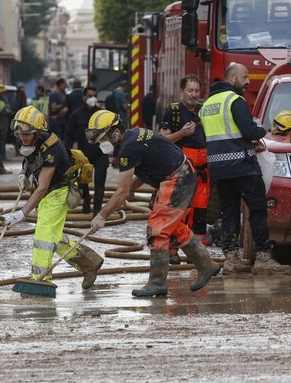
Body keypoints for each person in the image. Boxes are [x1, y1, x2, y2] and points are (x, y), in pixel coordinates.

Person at [86, 110, 220, 297]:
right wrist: (133, 187)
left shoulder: (128, 149)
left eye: (103, 139)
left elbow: (121, 192)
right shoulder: (133, 136)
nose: (102, 145)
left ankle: (157, 282)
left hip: (178, 178)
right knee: (172, 228)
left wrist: (101, 216)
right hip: (180, 175)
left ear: (115, 133)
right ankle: (207, 265)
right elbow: (149, 162)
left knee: (157, 229)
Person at [199, 62, 291, 274]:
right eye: (245, 77)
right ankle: (264, 258)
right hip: (242, 165)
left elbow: (210, 137)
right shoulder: (235, 100)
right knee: (257, 209)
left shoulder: (208, 105)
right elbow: (248, 131)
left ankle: (231, 258)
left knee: (229, 211)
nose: (248, 81)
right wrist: (262, 130)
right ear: (232, 79)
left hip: (219, 168)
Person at [2, 106, 104, 289]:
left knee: (43, 235)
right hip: (48, 192)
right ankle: (90, 263)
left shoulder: (53, 149)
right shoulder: (26, 138)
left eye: (27, 135)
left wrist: (22, 213)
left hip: (59, 191)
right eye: (19, 134)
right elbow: (28, 159)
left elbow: (42, 188)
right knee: (54, 237)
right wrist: (23, 174)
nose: (22, 138)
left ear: (38, 132)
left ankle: (40, 280)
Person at [160, 75, 210, 265]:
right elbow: (163, 140)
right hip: (181, 169)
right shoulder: (173, 111)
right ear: (182, 91)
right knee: (179, 209)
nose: (193, 94)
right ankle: (172, 250)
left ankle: (198, 252)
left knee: (200, 212)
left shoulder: (203, 110)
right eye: (190, 90)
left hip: (203, 171)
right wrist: (182, 133)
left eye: (197, 91)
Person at [65, 86, 109, 216]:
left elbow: (115, 133)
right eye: (89, 95)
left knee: (100, 185)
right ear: (84, 97)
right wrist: (68, 154)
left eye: (94, 95)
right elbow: (69, 134)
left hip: (101, 154)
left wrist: (116, 152)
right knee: (82, 184)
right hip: (83, 156)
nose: (92, 98)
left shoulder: (102, 114)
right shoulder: (76, 115)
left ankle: (97, 213)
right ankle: (86, 200)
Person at [0, 84, 12, 161]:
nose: (4, 94)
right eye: (3, 92)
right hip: (1, 123)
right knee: (1, 140)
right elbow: (3, 111)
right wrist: (10, 112)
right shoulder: (0, 101)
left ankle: (0, 155)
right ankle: (2, 156)